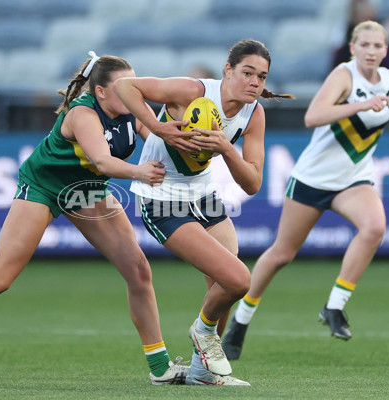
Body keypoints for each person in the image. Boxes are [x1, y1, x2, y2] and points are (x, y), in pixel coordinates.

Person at [0, 51, 190, 386]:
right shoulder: (82, 113)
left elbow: (161, 139)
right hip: (45, 186)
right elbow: (104, 162)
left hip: (87, 190)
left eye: (133, 84)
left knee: (138, 270)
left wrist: (192, 144)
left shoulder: (132, 108)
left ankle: (160, 367)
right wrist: (140, 172)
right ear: (101, 91)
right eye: (123, 85)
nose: (132, 91)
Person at [222, 20, 389, 360]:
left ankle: (334, 306)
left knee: (375, 228)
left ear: (386, 50)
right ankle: (241, 318)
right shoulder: (344, 76)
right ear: (352, 48)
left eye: (377, 46)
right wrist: (359, 105)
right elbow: (313, 116)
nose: (371, 51)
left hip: (354, 179)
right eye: (364, 45)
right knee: (282, 254)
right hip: (313, 179)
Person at [114, 39, 293, 385]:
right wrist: (158, 125)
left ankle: (201, 372)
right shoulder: (192, 90)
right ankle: (203, 331)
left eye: (262, 76)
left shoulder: (254, 114)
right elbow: (125, 86)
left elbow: (253, 183)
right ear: (228, 71)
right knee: (239, 279)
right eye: (247, 73)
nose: (255, 82)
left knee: (221, 286)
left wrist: (226, 147)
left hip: (204, 196)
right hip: (162, 198)